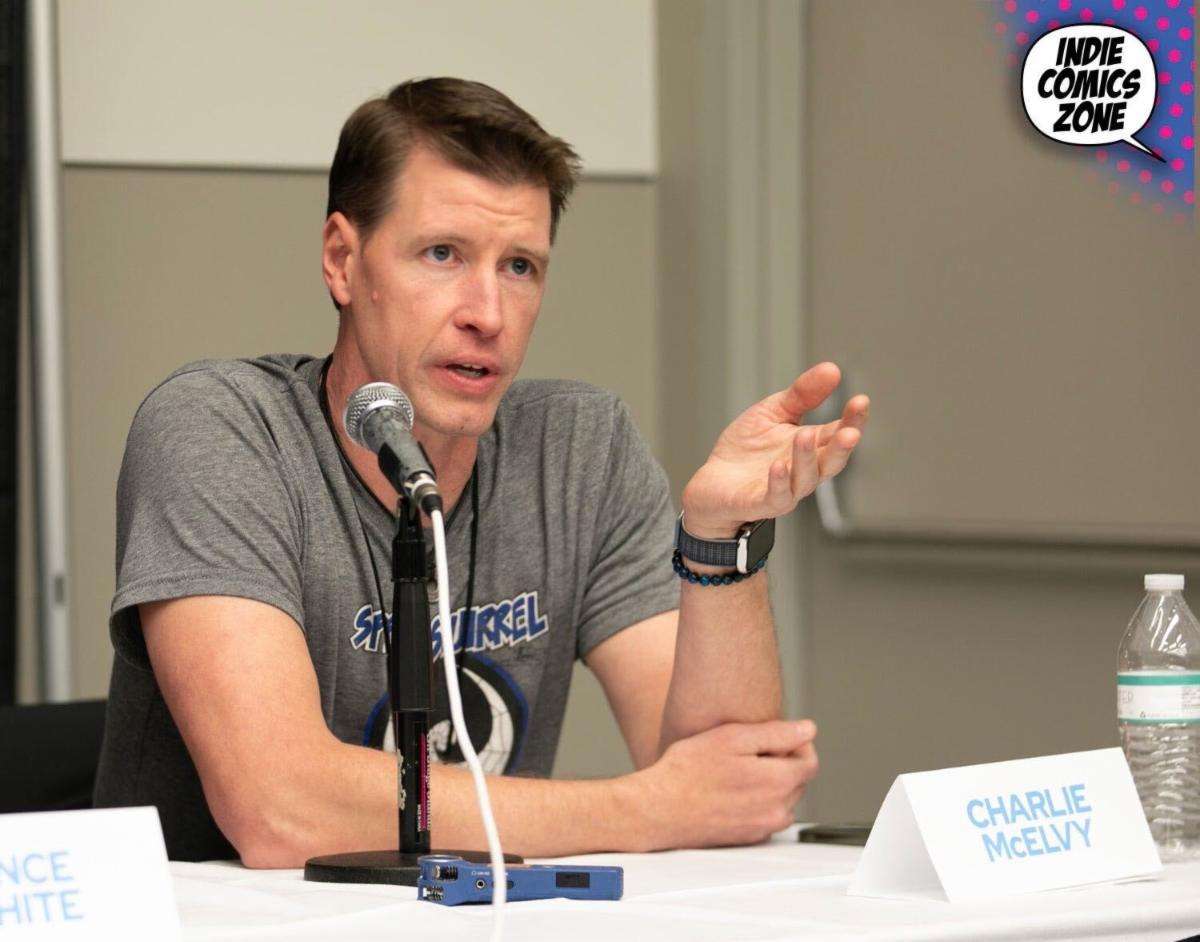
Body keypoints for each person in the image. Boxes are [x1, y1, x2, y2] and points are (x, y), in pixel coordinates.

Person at [93, 78, 869, 866]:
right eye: (443, 255)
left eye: (520, 266)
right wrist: (650, 809)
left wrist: (721, 541)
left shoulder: (578, 449)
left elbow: (733, 784)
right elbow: (281, 809)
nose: (488, 314)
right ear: (342, 261)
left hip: (480, 916)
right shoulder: (221, 430)